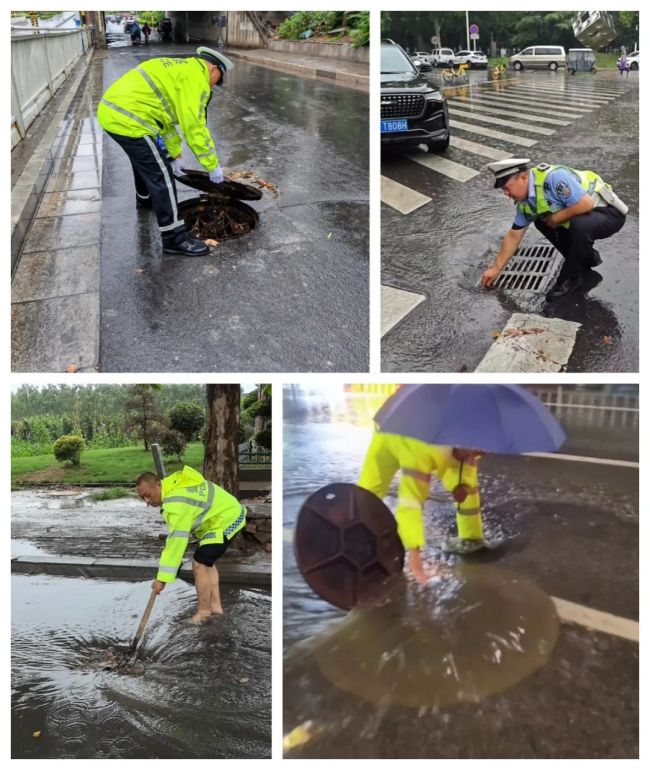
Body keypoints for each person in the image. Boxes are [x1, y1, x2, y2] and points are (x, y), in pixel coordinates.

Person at [97, 46, 232, 256]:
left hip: (113, 112)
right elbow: (195, 128)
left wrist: (175, 154)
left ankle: (144, 200)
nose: (215, 85)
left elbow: (165, 120)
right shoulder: (196, 79)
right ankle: (174, 239)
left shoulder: (183, 69)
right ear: (214, 68)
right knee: (162, 175)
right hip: (130, 119)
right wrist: (212, 166)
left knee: (145, 160)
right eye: (218, 79)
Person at [482, 158, 627, 300]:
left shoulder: (554, 178)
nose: (505, 193)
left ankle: (572, 278)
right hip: (585, 216)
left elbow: (586, 204)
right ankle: (588, 258)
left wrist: (556, 218)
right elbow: (514, 235)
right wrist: (496, 268)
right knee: (542, 222)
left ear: (523, 177)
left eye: (506, 187)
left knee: (578, 225)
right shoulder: (525, 203)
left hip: (608, 213)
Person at [358, 428, 485, 584]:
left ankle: (471, 537)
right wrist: (416, 563)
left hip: (440, 446)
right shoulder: (422, 450)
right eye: (475, 448)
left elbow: (465, 476)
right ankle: (358, 537)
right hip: (389, 435)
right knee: (369, 494)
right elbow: (411, 502)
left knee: (469, 493)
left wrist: (462, 487)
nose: (480, 452)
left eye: (482, 449)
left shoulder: (471, 449)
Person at [136, 465, 247, 623]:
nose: (147, 501)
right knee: (207, 561)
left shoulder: (175, 503)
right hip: (219, 520)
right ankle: (215, 607)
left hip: (226, 519)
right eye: (142, 498)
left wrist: (162, 578)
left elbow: (176, 542)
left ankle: (203, 612)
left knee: (199, 563)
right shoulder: (172, 485)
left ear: (158, 485)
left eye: (148, 495)